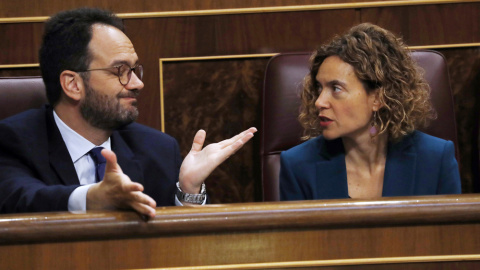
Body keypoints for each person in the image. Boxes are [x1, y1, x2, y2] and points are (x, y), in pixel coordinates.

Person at [0, 8, 256, 217]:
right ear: (73, 84)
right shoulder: (14, 141)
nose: (137, 83)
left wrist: (188, 190)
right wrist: (92, 197)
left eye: (134, 70)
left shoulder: (157, 149)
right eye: (120, 70)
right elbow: (21, 200)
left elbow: (185, 250)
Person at [280, 23, 461, 201]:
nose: (319, 102)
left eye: (336, 88)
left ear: (378, 98)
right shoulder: (298, 165)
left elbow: (452, 230)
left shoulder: (435, 159)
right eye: (319, 88)